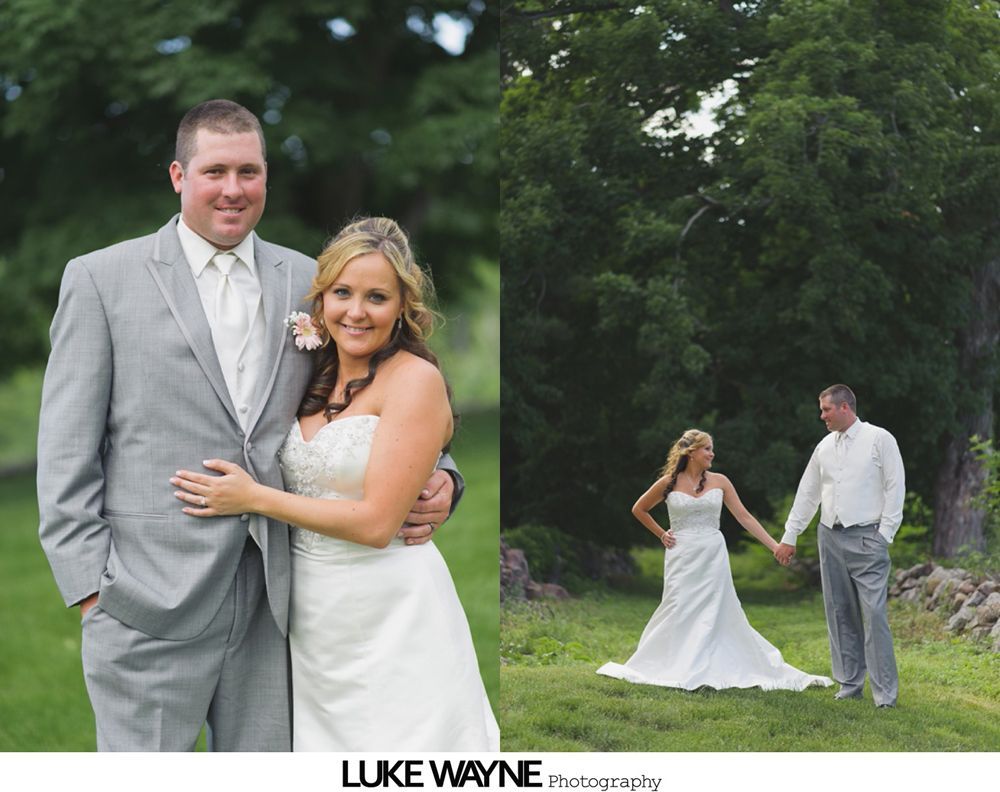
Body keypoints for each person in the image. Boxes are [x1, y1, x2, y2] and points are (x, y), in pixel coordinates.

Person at [37, 100, 459, 751]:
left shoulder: (311, 283)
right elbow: (66, 450)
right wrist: (93, 591)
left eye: (249, 171)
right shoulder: (100, 279)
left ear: (266, 176)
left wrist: (446, 480)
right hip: (145, 602)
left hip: (278, 607)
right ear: (179, 176)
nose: (233, 189)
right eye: (215, 171)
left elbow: (384, 387)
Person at [172, 216, 499, 751]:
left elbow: (375, 524)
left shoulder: (415, 380)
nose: (356, 311)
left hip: (393, 609)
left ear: (402, 308)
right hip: (312, 616)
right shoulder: (307, 372)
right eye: (342, 292)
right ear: (320, 299)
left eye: (377, 297)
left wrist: (254, 499)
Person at [597, 429, 832, 691]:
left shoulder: (720, 481)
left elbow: (744, 517)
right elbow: (639, 509)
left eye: (711, 448)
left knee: (714, 609)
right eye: (707, 448)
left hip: (712, 554)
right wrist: (661, 533)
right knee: (678, 605)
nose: (712, 453)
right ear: (691, 452)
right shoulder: (668, 483)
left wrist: (775, 546)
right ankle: (676, 662)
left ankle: (711, 661)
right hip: (682, 554)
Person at [774, 384, 903, 708]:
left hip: (868, 537)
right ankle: (849, 684)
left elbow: (895, 486)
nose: (822, 416)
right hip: (829, 537)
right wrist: (791, 535)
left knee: (873, 614)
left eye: (826, 410)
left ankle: (885, 695)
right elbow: (808, 493)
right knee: (838, 611)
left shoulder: (879, 439)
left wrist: (884, 534)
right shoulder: (824, 447)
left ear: (845, 407)